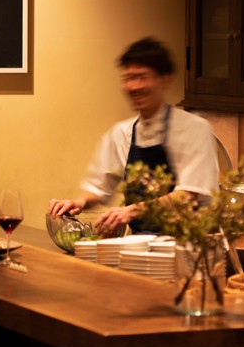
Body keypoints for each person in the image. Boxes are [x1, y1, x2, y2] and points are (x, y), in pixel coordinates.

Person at [49, 37, 219, 236]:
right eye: (128, 78)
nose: (133, 86)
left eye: (142, 77)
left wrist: (131, 211)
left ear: (165, 79)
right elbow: (99, 186)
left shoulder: (194, 129)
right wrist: (79, 202)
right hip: (138, 246)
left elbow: (187, 195)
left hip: (189, 245)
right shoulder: (121, 133)